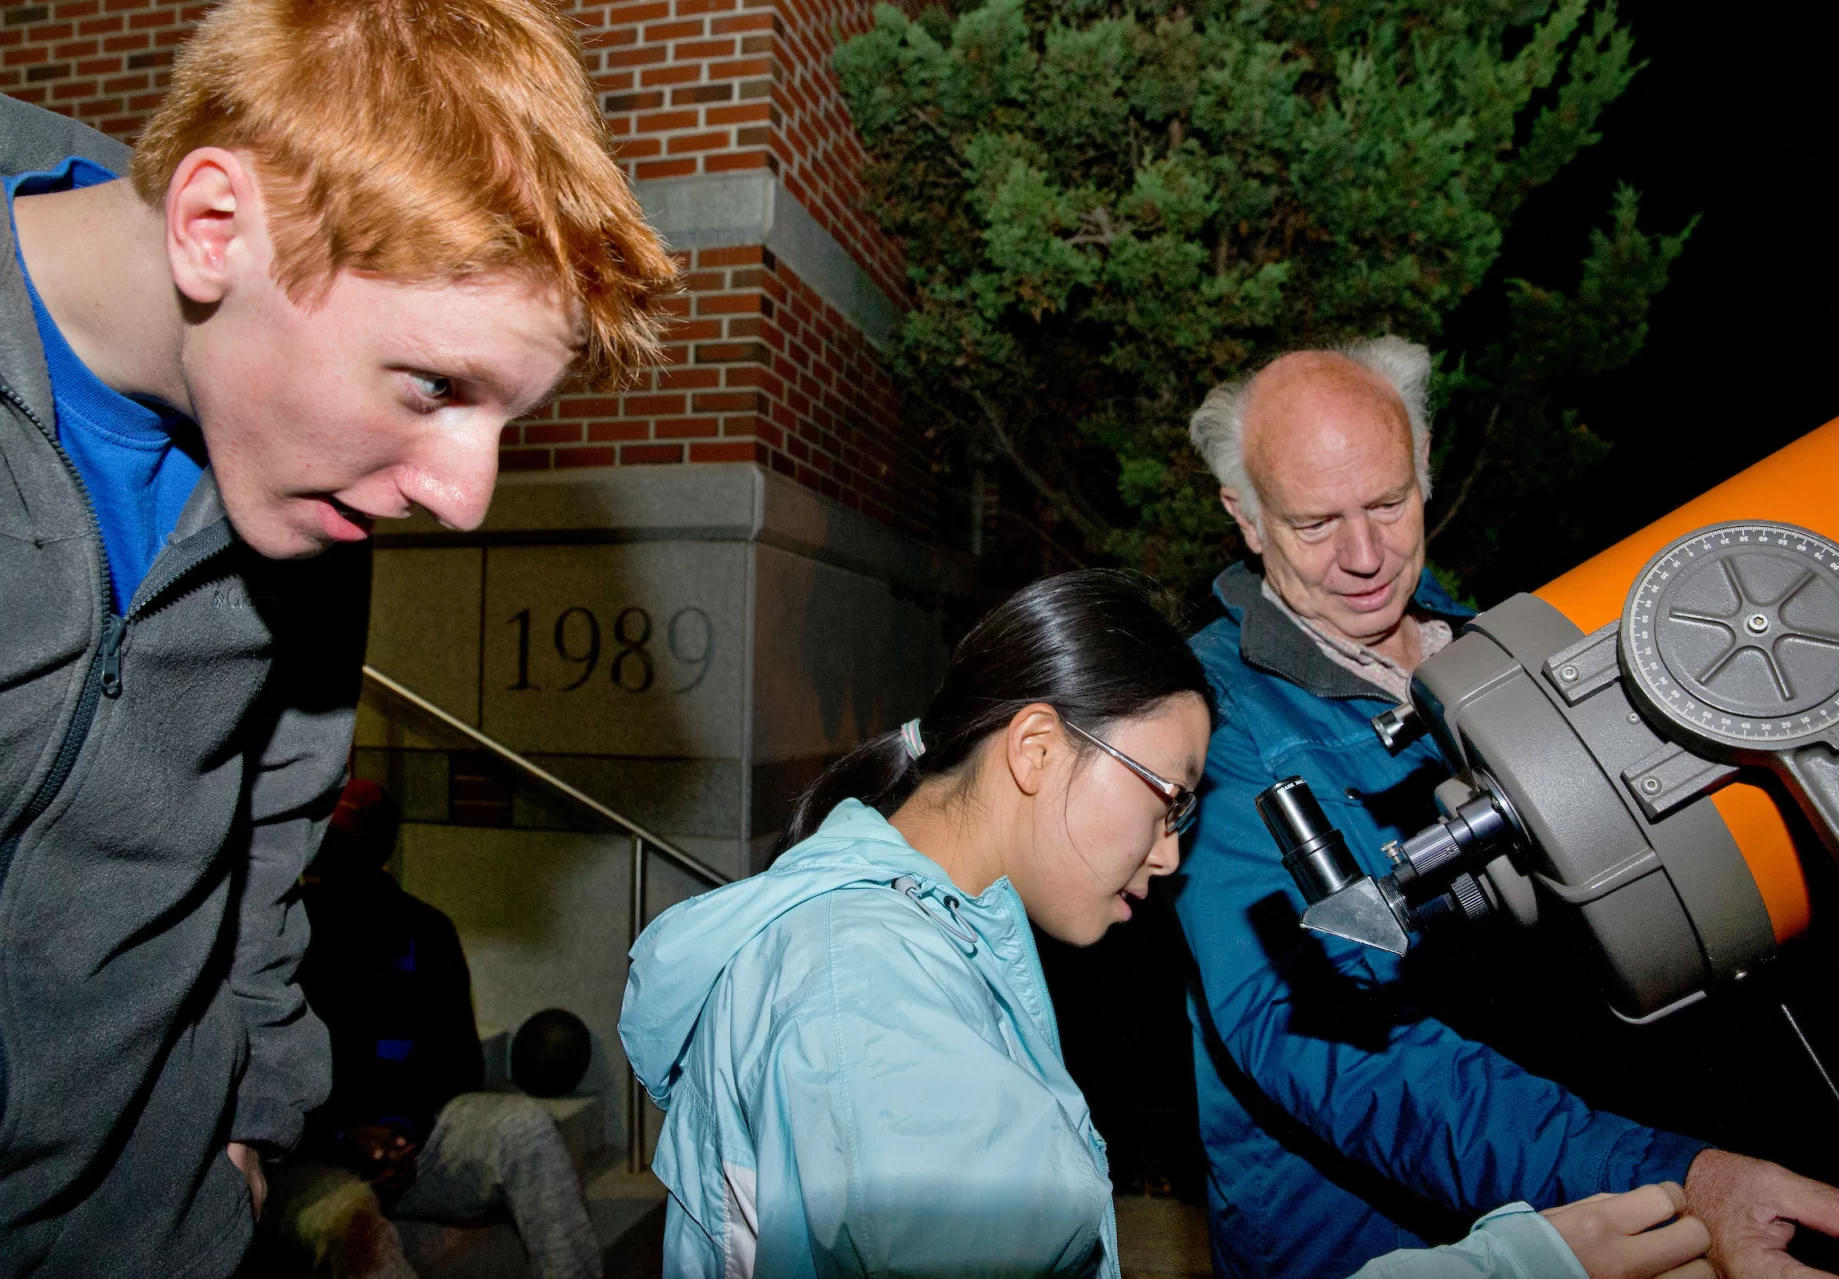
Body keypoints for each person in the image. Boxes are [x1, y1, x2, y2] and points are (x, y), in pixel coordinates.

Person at [0, 1, 676, 1271]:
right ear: (214, 226)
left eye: (501, 419)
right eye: (433, 385)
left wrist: (248, 1128)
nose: (461, 498)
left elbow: (268, 838)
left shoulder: (304, 499)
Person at [618, 570, 1712, 1279]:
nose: (1171, 851)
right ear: (1036, 749)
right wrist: (1510, 1268)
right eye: (1167, 798)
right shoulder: (881, 1011)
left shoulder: (886, 937)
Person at [1177, 338, 1839, 1279]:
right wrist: (1666, 1175)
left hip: (1575, 1192)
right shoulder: (1214, 721)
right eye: (1314, 522)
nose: (1363, 556)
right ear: (1244, 518)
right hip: (1375, 1242)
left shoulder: (1489, 650)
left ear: (1426, 473)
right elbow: (1335, 1048)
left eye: (1388, 503)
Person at [258, 780, 602, 1279]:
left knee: (525, 1129)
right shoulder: (277, 940)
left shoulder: (424, 929)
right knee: (355, 1227)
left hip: (413, 1146)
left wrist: (398, 1132)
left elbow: (458, 1062)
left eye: (361, 839)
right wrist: (343, 1136)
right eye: (335, 840)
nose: (344, 854)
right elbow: (261, 1084)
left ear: (384, 844)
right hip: (309, 1158)